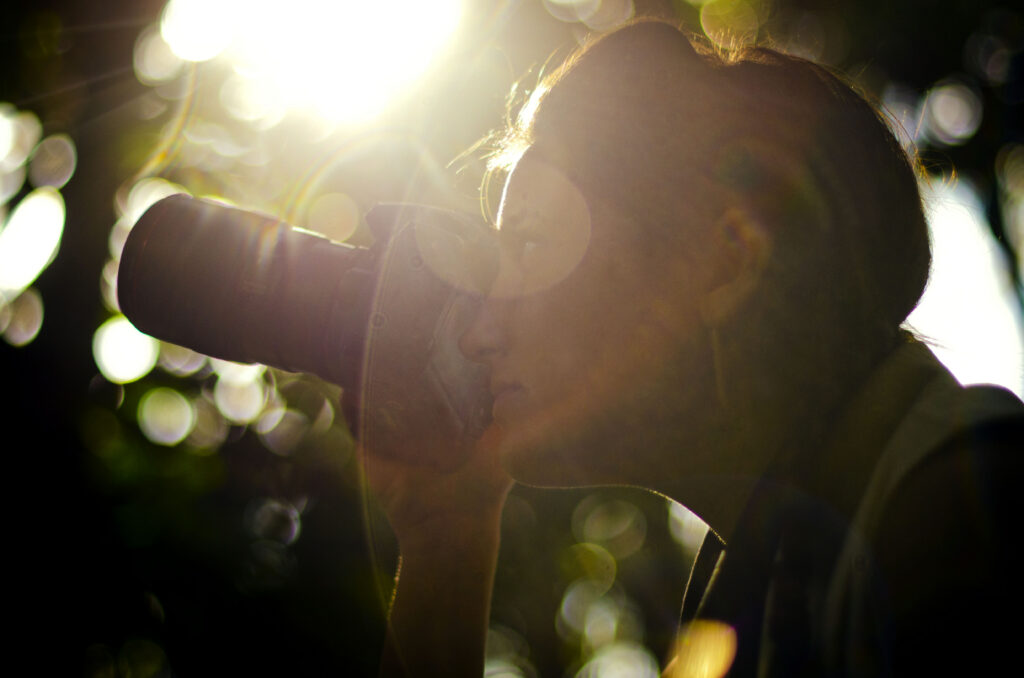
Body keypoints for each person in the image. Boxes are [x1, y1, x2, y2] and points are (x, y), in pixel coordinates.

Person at [365, 18, 1024, 677]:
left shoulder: (962, 522)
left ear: (724, 264)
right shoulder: (764, 591)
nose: (480, 331)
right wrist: (449, 541)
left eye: (532, 246)